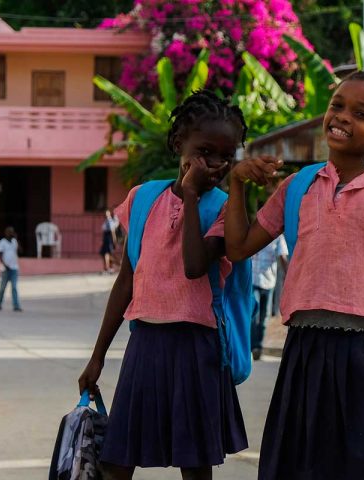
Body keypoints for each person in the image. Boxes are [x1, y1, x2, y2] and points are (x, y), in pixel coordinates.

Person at [224, 71, 364, 480]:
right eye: (337, 105)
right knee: (303, 467)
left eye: (360, 113)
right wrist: (237, 184)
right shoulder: (298, 186)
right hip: (306, 348)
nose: (343, 116)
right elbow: (240, 247)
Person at [77, 90, 249, 480]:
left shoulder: (225, 208)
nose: (217, 164)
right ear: (178, 144)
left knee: (195, 464)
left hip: (198, 349)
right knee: (117, 461)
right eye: (206, 152)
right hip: (146, 345)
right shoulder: (142, 199)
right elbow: (126, 282)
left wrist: (190, 196)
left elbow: (193, 266)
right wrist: (98, 355)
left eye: (227, 155)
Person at [250, 235, 288, 360]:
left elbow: (282, 256)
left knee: (264, 319)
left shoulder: (277, 238)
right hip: (253, 281)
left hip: (268, 282)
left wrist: (288, 276)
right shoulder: (255, 231)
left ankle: (258, 347)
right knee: (253, 316)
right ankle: (251, 346)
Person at [0, 226, 22, 312]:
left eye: (12, 232)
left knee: (14, 287)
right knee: (3, 288)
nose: (11, 234)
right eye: (9, 232)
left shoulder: (14, 242)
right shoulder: (2, 242)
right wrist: (5, 265)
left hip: (14, 268)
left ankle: (16, 305)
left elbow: (20, 251)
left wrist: (17, 240)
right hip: (5, 269)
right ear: (6, 233)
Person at [99, 209, 120, 274]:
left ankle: (108, 268)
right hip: (106, 239)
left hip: (109, 239)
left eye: (108, 214)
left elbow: (112, 231)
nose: (107, 215)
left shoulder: (110, 221)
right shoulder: (106, 221)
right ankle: (108, 267)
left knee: (107, 254)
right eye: (106, 214)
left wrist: (114, 240)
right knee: (104, 254)